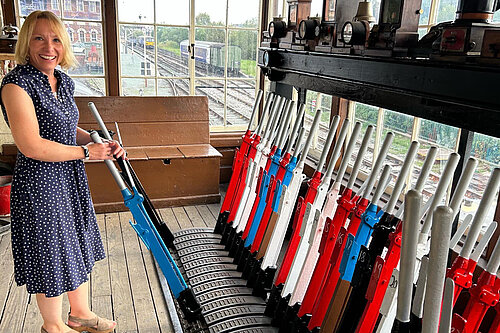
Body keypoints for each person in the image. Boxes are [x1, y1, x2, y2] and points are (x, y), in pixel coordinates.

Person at [0, 10, 125, 333]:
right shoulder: (16, 85)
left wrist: (101, 141)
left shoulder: (62, 80)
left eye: (56, 39)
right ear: (27, 43)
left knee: (75, 242)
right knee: (51, 252)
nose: (49, 47)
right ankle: (53, 325)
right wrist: (86, 152)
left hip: (69, 179)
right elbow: (31, 145)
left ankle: (80, 314)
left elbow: (67, 128)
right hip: (40, 184)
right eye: (39, 38)